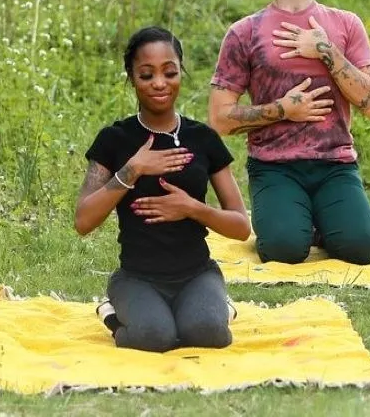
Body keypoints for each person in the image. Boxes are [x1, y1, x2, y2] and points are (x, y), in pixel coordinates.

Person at [208, 0, 370, 266]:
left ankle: (321, 218)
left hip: (335, 163)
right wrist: (283, 110)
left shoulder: (346, 24)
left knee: (360, 249)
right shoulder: (244, 32)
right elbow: (220, 120)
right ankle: (295, 218)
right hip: (275, 166)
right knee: (284, 250)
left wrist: (324, 50)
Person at [74, 26, 250, 353]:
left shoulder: (204, 139)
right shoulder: (114, 140)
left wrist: (193, 209)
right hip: (137, 277)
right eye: (146, 74)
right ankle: (114, 313)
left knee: (209, 333)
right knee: (155, 337)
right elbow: (83, 221)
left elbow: (241, 228)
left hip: (196, 274)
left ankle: (215, 307)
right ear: (131, 77)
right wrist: (132, 169)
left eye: (169, 72)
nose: (159, 83)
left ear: (180, 72)